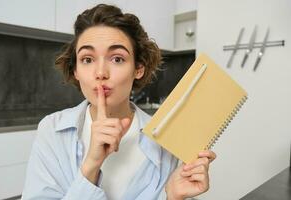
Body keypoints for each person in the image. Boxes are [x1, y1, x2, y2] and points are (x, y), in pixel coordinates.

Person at [22, 4, 216, 200]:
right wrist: (91, 166)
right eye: (87, 59)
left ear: (138, 68)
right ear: (75, 71)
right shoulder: (52, 130)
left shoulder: (165, 141)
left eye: (117, 59)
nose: (100, 73)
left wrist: (173, 198)